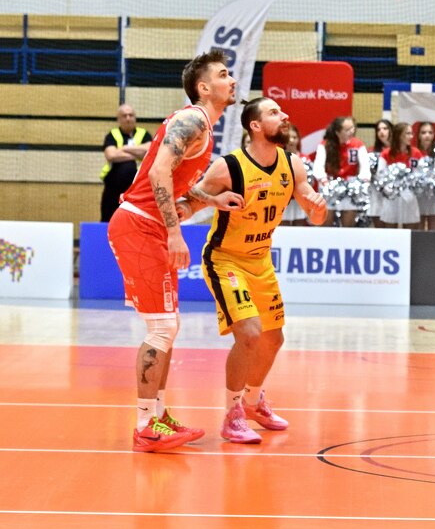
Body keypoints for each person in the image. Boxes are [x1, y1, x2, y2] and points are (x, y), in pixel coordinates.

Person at [106, 49, 244, 453]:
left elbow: (178, 182)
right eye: (224, 74)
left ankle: (159, 415)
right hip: (140, 225)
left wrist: (210, 199)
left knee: (168, 325)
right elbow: (157, 172)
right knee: (162, 327)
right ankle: (144, 425)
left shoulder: (202, 126)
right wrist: (173, 232)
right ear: (204, 87)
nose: (232, 80)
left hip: (147, 225)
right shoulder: (193, 119)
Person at [185, 97, 327, 444]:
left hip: (260, 260)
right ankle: (232, 414)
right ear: (255, 126)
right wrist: (193, 205)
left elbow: (315, 214)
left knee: (273, 339)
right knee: (249, 333)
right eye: (274, 113)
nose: (285, 116)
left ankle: (252, 402)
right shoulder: (228, 167)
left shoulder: (292, 165)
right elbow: (188, 203)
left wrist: (318, 208)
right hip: (226, 259)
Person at [313, 116, 371, 227]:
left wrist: (362, 182)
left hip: (350, 187)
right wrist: (324, 181)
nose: (351, 131)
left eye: (352, 128)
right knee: (326, 223)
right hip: (330, 186)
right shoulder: (325, 144)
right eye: (347, 130)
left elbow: (365, 166)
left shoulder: (358, 144)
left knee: (348, 225)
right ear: (337, 132)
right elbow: (318, 166)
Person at [100, 104, 151, 222]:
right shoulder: (112, 135)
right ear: (118, 119)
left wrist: (124, 148)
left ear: (135, 117)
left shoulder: (144, 134)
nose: (128, 118)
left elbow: (149, 150)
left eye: (131, 115)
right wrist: (137, 153)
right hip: (114, 186)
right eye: (124, 116)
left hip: (138, 186)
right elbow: (111, 155)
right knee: (108, 219)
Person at [370, 120, 421, 229]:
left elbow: (420, 175)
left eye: (411, 133)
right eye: (408, 133)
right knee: (390, 231)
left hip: (409, 197)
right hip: (391, 198)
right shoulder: (386, 153)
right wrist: (390, 188)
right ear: (399, 135)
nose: (411, 136)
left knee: (411, 231)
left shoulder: (416, 153)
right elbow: (380, 175)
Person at [279, 125, 315, 226]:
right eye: (288, 137)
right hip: (284, 200)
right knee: (283, 225)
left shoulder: (305, 159)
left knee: (300, 225)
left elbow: (310, 181)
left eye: (294, 137)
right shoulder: (278, 158)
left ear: (298, 139)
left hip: (300, 200)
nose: (291, 140)